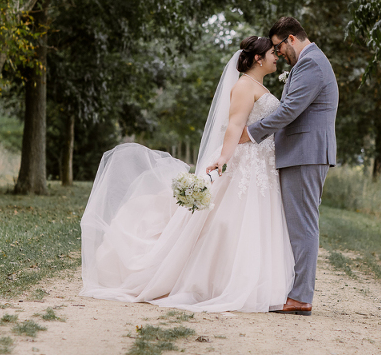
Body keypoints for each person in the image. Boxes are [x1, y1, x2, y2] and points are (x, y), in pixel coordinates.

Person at [79, 36, 294, 313]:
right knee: (231, 222)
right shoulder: (243, 86)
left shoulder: (258, 85)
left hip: (262, 163)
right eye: (272, 53)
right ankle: (218, 283)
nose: (277, 56)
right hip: (244, 162)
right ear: (257, 58)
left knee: (257, 222)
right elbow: (234, 126)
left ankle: (261, 285)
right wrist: (223, 158)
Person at [241, 16, 339, 316]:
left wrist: (252, 132)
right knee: (298, 225)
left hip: (305, 153)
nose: (278, 53)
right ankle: (295, 292)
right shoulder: (309, 62)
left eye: (278, 47)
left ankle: (300, 298)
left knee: (303, 226)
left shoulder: (311, 64)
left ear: (291, 39)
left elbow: (290, 110)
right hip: (302, 153)